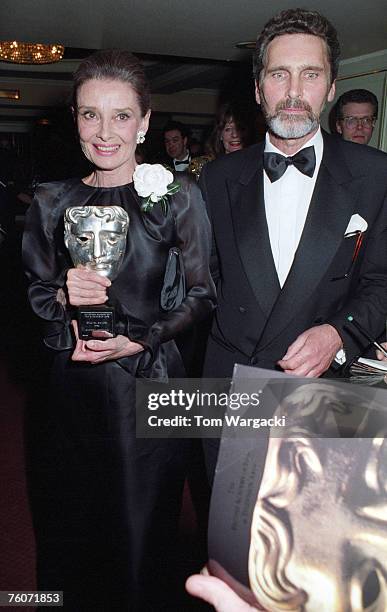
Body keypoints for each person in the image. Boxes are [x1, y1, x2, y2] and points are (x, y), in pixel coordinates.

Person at [22, 49, 215, 611]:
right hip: (72, 389)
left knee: (140, 530)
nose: (105, 132)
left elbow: (205, 294)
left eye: (121, 115)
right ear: (75, 119)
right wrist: (63, 293)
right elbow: (34, 295)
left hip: (150, 384)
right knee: (72, 520)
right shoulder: (51, 200)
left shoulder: (177, 197)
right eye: (90, 115)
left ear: (146, 122)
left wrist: (146, 337)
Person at [199, 7, 387, 477]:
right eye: (280, 75)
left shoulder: (376, 175)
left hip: (328, 390)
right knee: (232, 540)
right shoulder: (217, 178)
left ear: (331, 87)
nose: (295, 93)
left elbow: (383, 283)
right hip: (232, 387)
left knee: (316, 540)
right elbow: (198, 283)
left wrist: (340, 334)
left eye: (311, 75)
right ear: (259, 88)